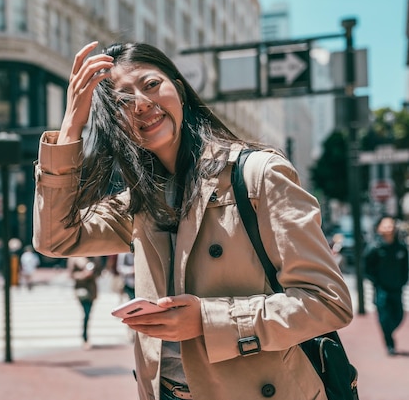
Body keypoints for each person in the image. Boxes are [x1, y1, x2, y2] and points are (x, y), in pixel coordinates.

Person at [32, 41, 353, 400]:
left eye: (152, 85)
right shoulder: (141, 200)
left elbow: (328, 302)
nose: (141, 104)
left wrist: (206, 321)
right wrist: (72, 123)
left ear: (179, 89)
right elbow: (55, 238)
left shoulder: (259, 175)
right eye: (123, 101)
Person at [364, 215, 409, 356]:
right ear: (379, 229)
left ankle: (388, 331)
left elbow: (405, 267)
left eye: (391, 225)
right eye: (385, 226)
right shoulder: (374, 248)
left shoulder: (401, 247)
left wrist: (403, 281)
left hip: (397, 288)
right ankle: (389, 344)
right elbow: (366, 267)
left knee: (399, 315)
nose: (389, 228)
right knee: (384, 317)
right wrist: (376, 281)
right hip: (381, 289)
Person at [68, 256, 100, 350]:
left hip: (92, 290)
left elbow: (99, 272)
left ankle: (85, 336)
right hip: (81, 290)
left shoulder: (95, 257)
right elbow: (71, 275)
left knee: (88, 314)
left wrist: (93, 273)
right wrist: (83, 275)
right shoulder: (74, 258)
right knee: (86, 314)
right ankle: (85, 338)